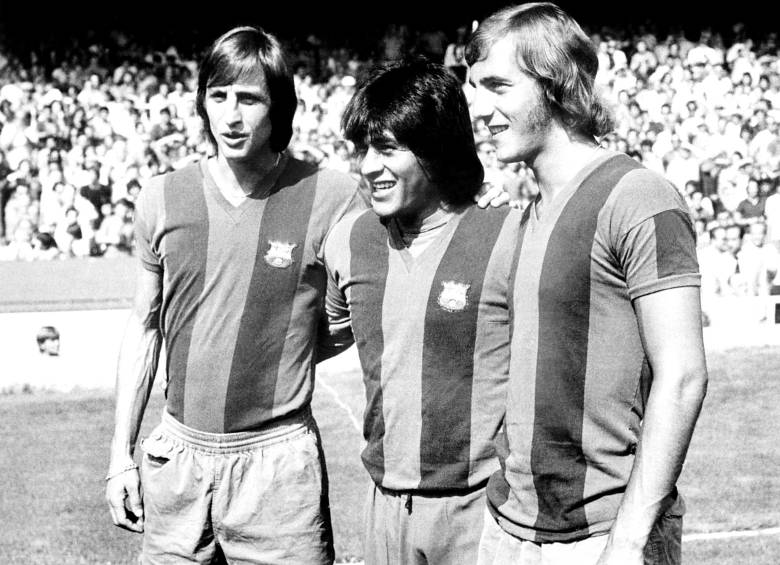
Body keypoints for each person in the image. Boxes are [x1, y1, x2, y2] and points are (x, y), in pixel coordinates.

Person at [105, 26, 364, 564]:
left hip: (277, 466)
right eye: (218, 96)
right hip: (177, 458)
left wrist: (470, 197)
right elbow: (145, 326)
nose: (230, 115)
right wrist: (119, 455)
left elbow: (363, 310)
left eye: (249, 99)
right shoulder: (162, 197)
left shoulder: (332, 196)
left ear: (279, 107)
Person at [467, 4, 708, 564]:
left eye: (498, 86)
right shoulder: (524, 214)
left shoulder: (639, 197)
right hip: (510, 528)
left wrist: (626, 543)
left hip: (601, 534)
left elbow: (684, 375)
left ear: (555, 84)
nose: (480, 108)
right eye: (475, 89)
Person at [322, 58, 519, 565]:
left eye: (388, 148)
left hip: (481, 508)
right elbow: (327, 336)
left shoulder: (508, 234)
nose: (368, 166)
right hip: (384, 504)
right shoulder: (349, 240)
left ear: (434, 149)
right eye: (363, 149)